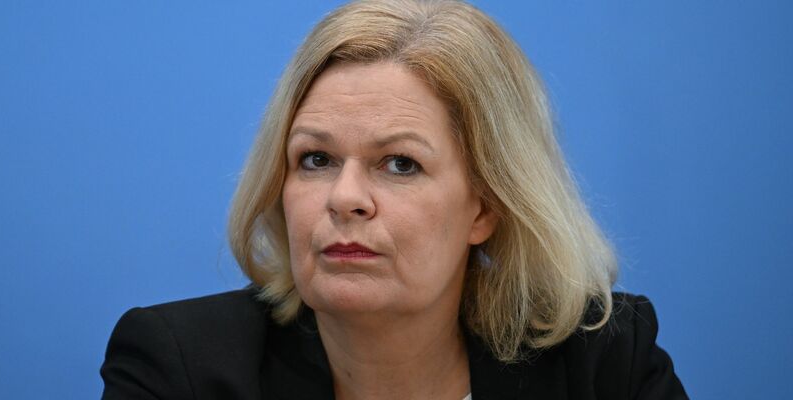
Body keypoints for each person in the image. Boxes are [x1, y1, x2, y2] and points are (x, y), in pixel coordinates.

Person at [101, 0, 687, 399]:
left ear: (484, 208)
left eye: (400, 164)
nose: (345, 198)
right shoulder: (180, 371)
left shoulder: (603, 365)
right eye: (316, 160)